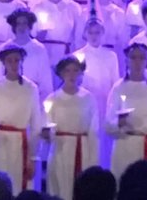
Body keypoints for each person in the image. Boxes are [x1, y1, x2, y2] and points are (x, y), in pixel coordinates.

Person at [106, 43, 147, 182]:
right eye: (133, 57)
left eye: (142, 58)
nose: (137, 62)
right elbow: (108, 124)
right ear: (127, 61)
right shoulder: (119, 88)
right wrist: (119, 123)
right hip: (126, 147)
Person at [0, 45, 44, 193]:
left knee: (18, 187)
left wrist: (32, 157)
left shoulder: (31, 88)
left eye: (17, 60)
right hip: (0, 146)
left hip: (20, 146)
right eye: (9, 60)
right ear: (3, 63)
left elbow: (36, 125)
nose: (14, 64)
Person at [43, 57, 100, 200]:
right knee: (62, 189)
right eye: (67, 71)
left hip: (83, 150)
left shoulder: (88, 98)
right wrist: (46, 134)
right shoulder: (53, 99)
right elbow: (47, 127)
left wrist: (94, 160)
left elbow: (93, 130)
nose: (71, 75)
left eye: (76, 70)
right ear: (61, 73)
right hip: (61, 151)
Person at [0, 10, 53, 100]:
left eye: (24, 23)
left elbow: (45, 79)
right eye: (18, 23)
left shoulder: (39, 49)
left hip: (31, 96)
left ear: (29, 26)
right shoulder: (3, 48)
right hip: (7, 95)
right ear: (14, 27)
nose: (22, 27)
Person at [74, 20, 122, 130]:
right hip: (86, 101)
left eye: (97, 33)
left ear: (102, 33)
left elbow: (115, 82)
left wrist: (116, 103)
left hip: (106, 101)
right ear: (85, 34)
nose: (94, 36)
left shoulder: (110, 56)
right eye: (90, 33)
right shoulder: (78, 56)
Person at [35, 0, 82, 69]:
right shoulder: (37, 8)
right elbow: (32, 35)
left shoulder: (73, 7)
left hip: (65, 56)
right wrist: (39, 36)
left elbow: (78, 37)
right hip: (44, 56)